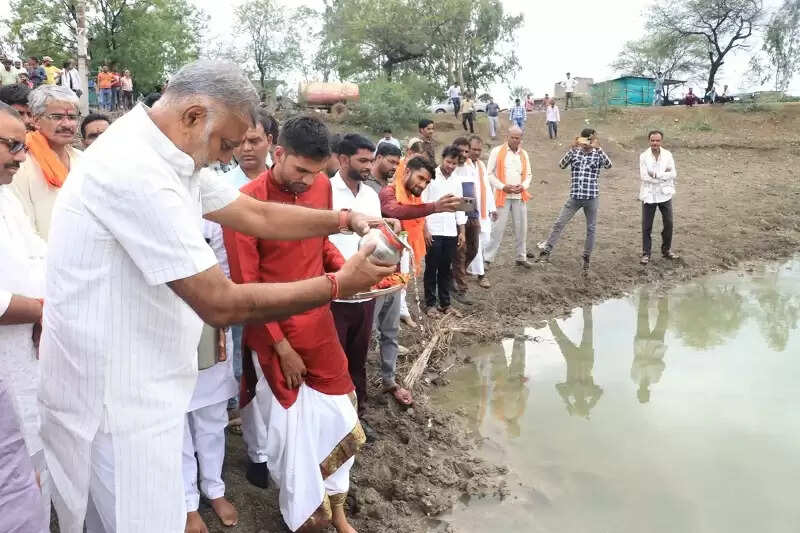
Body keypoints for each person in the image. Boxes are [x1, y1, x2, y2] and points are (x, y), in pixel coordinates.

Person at [37, 60, 394, 533]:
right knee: (137, 521)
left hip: (145, 381)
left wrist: (346, 220)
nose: (227, 158)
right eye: (226, 144)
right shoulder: (134, 170)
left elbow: (257, 215)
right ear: (192, 116)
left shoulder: (167, 153)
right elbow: (220, 301)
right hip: (115, 397)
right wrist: (339, 285)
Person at [224, 115, 366, 533]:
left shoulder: (321, 187)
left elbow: (318, 244)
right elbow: (246, 286)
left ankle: (336, 508)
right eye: (301, 170)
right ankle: (305, 518)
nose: (308, 181)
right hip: (270, 333)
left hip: (318, 324)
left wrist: (349, 274)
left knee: (338, 414)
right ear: (278, 153)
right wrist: (280, 346)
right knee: (287, 437)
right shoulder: (246, 203)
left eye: (316, 172)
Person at [0, 101, 51, 532]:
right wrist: (43, 311)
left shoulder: (6, 196)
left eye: (23, 144)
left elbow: (39, 254)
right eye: (12, 144)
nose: (21, 155)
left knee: (33, 473)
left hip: (28, 359)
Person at [183, 219, 239, 533]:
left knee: (212, 418)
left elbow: (225, 275)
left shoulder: (210, 208)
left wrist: (220, 319)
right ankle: (188, 502)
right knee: (176, 423)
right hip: (166, 329)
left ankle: (214, 488)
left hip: (210, 327)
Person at [328, 133, 384, 437]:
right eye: (363, 160)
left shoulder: (371, 196)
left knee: (358, 359)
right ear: (343, 159)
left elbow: (376, 239)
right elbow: (320, 242)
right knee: (333, 360)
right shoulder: (325, 191)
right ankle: (335, 424)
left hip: (366, 293)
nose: (368, 166)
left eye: (371, 160)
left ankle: (357, 418)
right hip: (333, 294)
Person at [363, 142, 414, 406]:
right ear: (377, 157)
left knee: (390, 331)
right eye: (391, 162)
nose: (395, 168)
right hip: (365, 276)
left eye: (398, 164)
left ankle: (389, 380)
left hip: (391, 272)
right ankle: (356, 390)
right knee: (366, 334)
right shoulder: (367, 190)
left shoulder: (388, 189)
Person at [11, 84, 82, 240]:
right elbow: (22, 230)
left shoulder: (84, 160)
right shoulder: (19, 165)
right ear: (36, 120)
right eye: (57, 117)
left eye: (72, 117)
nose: (67, 124)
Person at [538, 128, 613, 273]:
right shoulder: (575, 152)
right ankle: (546, 251)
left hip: (591, 197)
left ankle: (586, 258)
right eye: (585, 140)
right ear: (580, 139)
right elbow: (561, 165)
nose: (586, 143)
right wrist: (572, 148)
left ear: (593, 140)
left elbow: (609, 165)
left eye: (589, 140)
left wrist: (599, 148)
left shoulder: (598, 154)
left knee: (591, 229)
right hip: (575, 197)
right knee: (559, 223)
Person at [423, 145, 466, 316]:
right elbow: (423, 204)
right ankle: (430, 304)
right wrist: (425, 229)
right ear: (443, 159)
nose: (450, 166)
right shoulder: (431, 176)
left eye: (454, 163)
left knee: (446, 268)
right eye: (448, 162)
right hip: (433, 229)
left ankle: (445, 304)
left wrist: (461, 230)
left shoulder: (457, 180)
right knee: (431, 267)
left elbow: (460, 207)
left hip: (450, 231)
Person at [484, 126, 533, 268]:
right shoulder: (496, 151)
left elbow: (529, 174)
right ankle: (487, 258)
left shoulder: (524, 154)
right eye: (512, 137)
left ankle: (521, 257)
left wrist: (523, 186)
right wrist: (502, 186)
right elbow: (489, 174)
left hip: (519, 196)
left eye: (517, 138)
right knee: (497, 228)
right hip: (501, 195)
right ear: (507, 137)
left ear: (521, 139)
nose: (514, 140)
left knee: (521, 228)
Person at [551, 307, 603, 418]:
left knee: (559, 334)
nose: (580, 402)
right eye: (582, 404)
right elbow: (600, 392)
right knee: (561, 334)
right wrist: (589, 406)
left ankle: (548, 313)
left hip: (575, 359)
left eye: (579, 405)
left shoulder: (572, 391)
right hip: (583, 358)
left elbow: (558, 387)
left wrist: (568, 403)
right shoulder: (585, 392)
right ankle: (587, 305)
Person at [639, 130, 678, 265]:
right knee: (646, 226)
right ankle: (646, 253)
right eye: (652, 140)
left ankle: (666, 250)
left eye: (657, 140)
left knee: (669, 223)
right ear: (649, 141)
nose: (655, 143)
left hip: (665, 194)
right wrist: (663, 176)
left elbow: (673, 173)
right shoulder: (644, 156)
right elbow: (644, 177)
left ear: (661, 141)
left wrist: (655, 175)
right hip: (649, 195)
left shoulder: (668, 155)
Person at [465, 135, 497, 288]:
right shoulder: (463, 166)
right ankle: (481, 274)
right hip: (471, 213)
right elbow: (465, 192)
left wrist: (493, 208)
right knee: (475, 243)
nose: (477, 152)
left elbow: (486, 188)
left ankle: (468, 267)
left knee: (484, 241)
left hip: (484, 210)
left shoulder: (481, 166)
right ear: (468, 149)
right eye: (473, 149)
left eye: (479, 149)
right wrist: (470, 215)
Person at [451, 136, 479, 304]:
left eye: (466, 151)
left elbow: (474, 192)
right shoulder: (450, 169)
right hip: (459, 214)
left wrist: (477, 212)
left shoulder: (470, 168)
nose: (463, 154)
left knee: (474, 250)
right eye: (460, 150)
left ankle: (451, 276)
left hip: (472, 213)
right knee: (460, 253)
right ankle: (461, 289)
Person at [225, 107, 277, 189]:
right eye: (239, 142)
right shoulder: (220, 187)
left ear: (269, 140)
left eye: (254, 141)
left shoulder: (285, 184)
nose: (247, 148)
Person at [632, 291, 668, 403]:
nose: (643, 389)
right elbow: (662, 365)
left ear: (638, 391)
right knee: (663, 318)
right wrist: (648, 363)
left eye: (641, 392)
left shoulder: (634, 377)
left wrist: (648, 363)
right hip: (656, 346)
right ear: (648, 392)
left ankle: (644, 294)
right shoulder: (655, 379)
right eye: (645, 392)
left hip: (641, 344)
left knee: (642, 316)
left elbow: (636, 362)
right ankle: (663, 294)